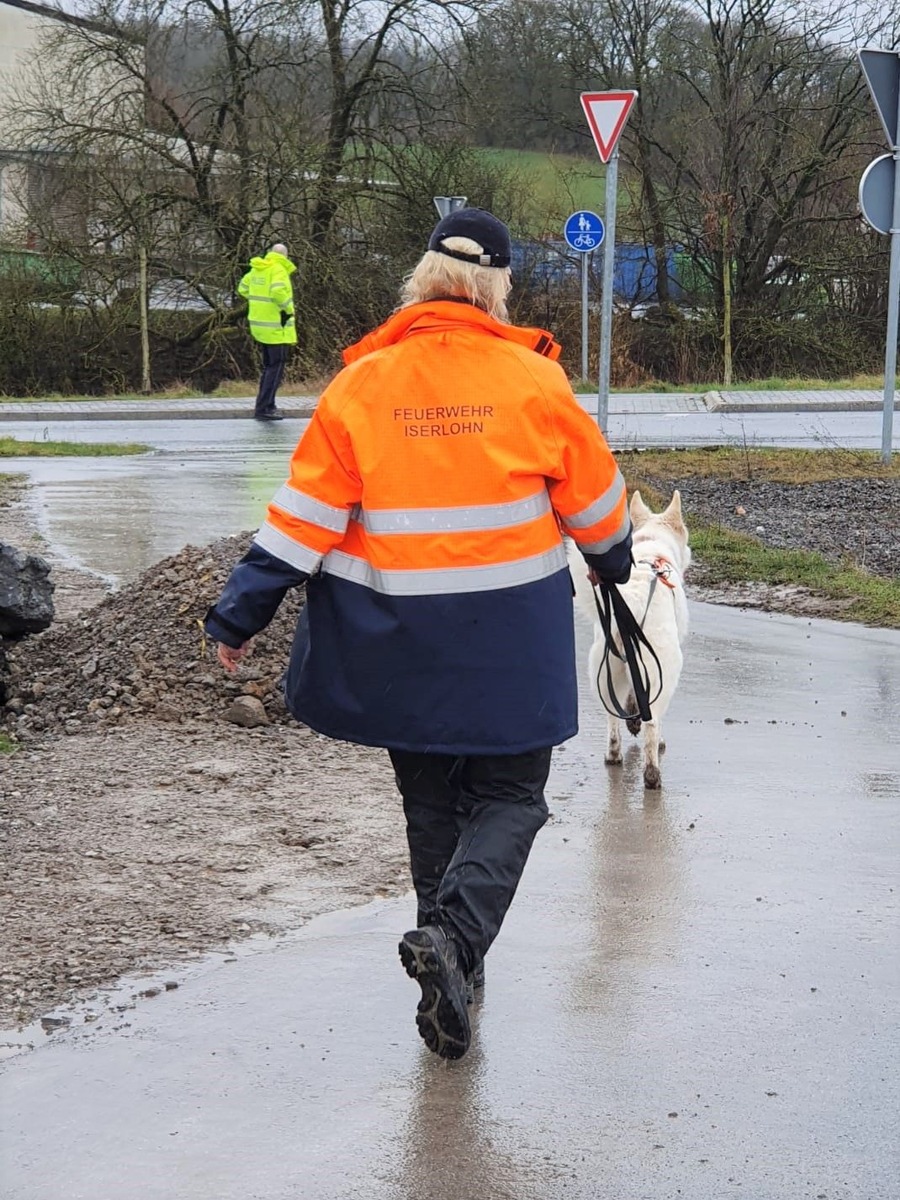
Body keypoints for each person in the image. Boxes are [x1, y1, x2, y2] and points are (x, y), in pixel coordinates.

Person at [206, 208, 632, 1060]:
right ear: (498, 286)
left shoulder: (362, 385)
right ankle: (456, 947)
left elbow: (300, 524)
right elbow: (597, 508)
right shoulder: (534, 383)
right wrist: (615, 562)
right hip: (508, 647)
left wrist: (240, 612)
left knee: (430, 805)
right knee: (511, 799)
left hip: (397, 645)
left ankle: (454, 981)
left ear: (423, 280)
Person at [238, 242, 297, 421]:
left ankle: (267, 404)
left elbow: (243, 288)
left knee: (268, 367)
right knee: (276, 367)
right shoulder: (278, 269)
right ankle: (264, 407)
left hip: (260, 325)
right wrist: (288, 310)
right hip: (276, 326)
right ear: (285, 256)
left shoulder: (258, 268)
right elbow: (278, 292)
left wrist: (259, 306)